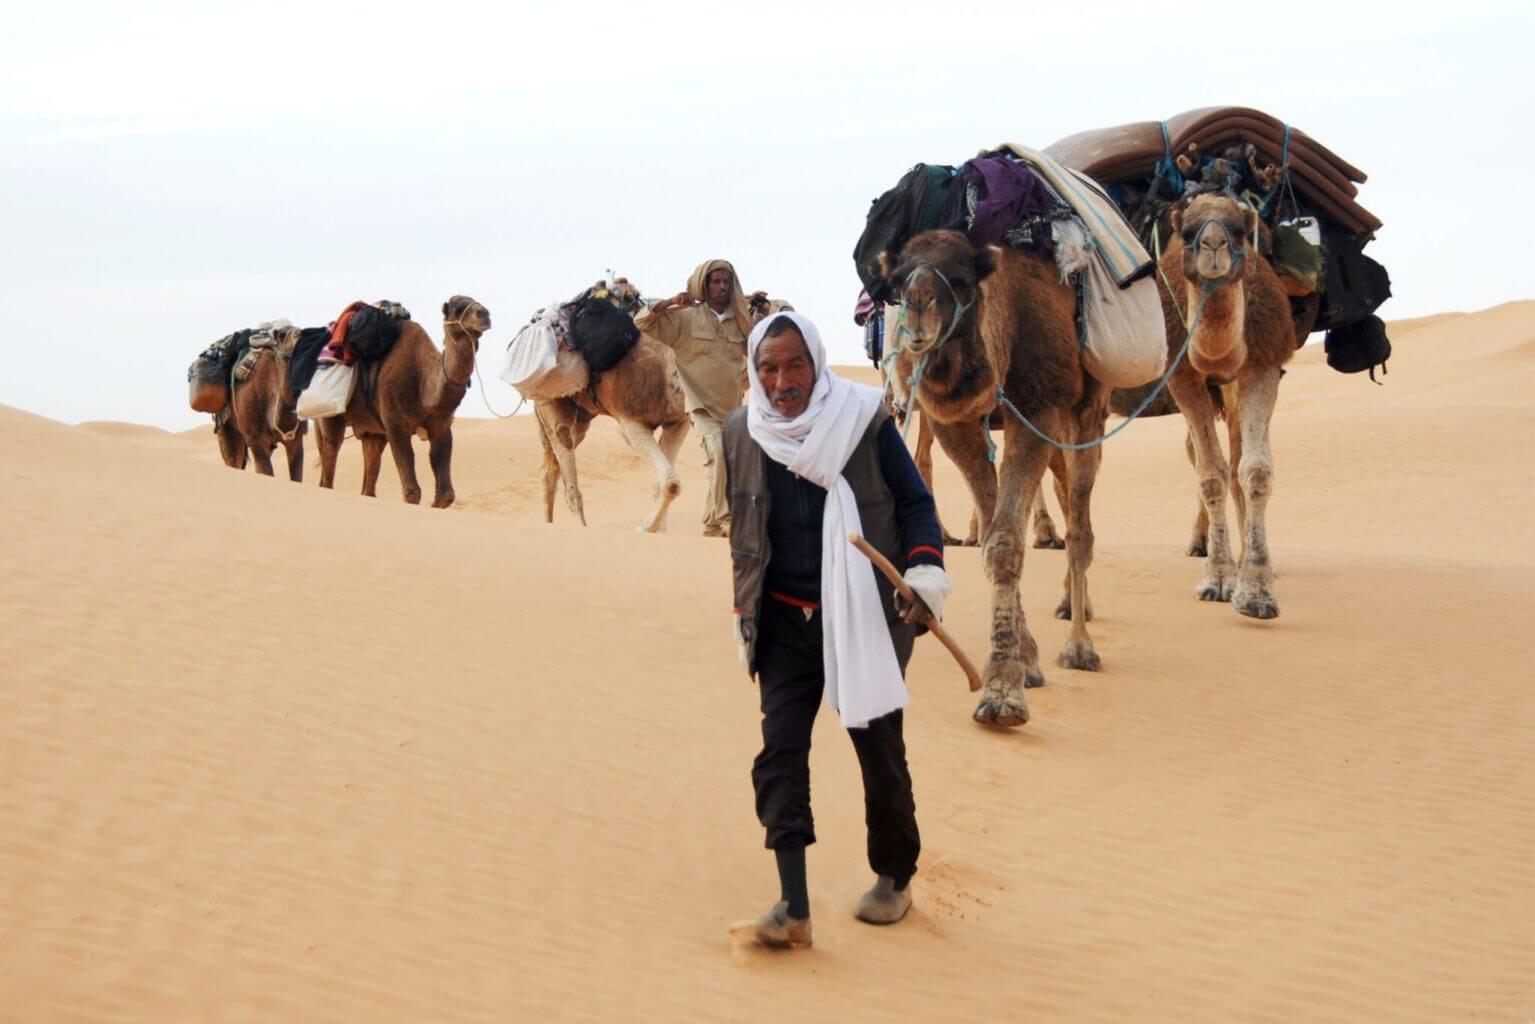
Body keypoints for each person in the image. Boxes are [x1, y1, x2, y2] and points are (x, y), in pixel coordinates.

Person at [723, 310, 952, 950]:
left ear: (817, 363)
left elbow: (915, 506)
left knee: (878, 751)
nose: (781, 380)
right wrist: (743, 609)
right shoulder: (743, 432)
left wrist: (926, 573)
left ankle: (895, 874)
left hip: (860, 617)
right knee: (780, 754)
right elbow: (743, 530)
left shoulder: (863, 420)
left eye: (794, 364)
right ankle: (792, 904)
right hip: (782, 622)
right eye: (768, 367)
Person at [634, 260, 786, 537]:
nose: (721, 287)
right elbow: (642, 321)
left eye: (726, 282)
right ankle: (727, 520)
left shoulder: (740, 321)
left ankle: (711, 523)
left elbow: (779, 327)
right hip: (700, 407)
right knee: (717, 453)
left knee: (724, 462)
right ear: (704, 285)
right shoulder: (685, 318)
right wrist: (669, 303)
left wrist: (765, 307)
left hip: (730, 409)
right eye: (715, 282)